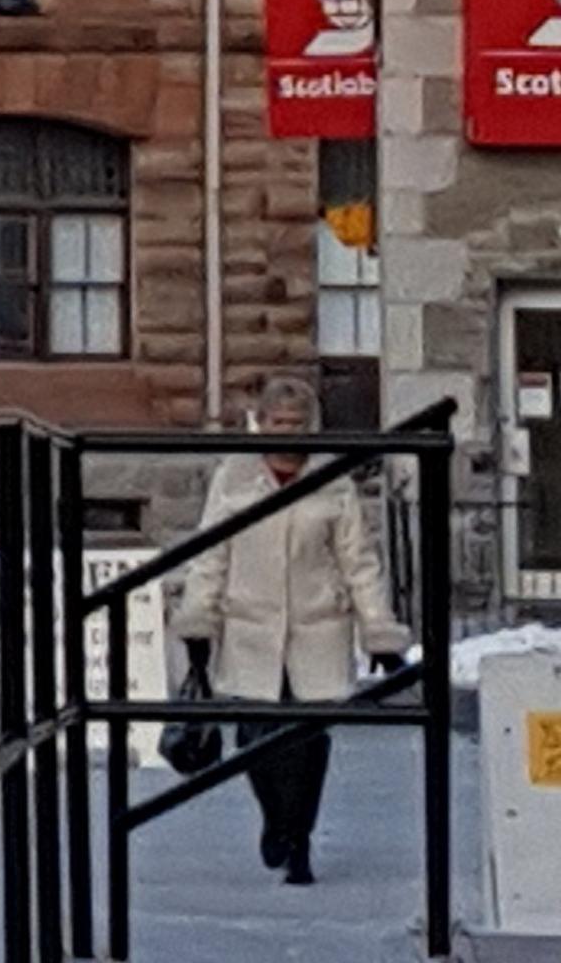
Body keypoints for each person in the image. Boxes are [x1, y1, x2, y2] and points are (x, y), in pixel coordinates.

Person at [168, 377, 405, 887]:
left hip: (317, 627)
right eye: (279, 422)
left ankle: (300, 838)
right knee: (254, 735)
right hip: (250, 624)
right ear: (263, 421)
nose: (288, 432)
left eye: (297, 424)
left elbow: (359, 563)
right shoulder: (233, 477)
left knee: (307, 741)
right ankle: (276, 820)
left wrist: (378, 630)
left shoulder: (333, 481)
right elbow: (211, 555)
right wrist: (198, 622)